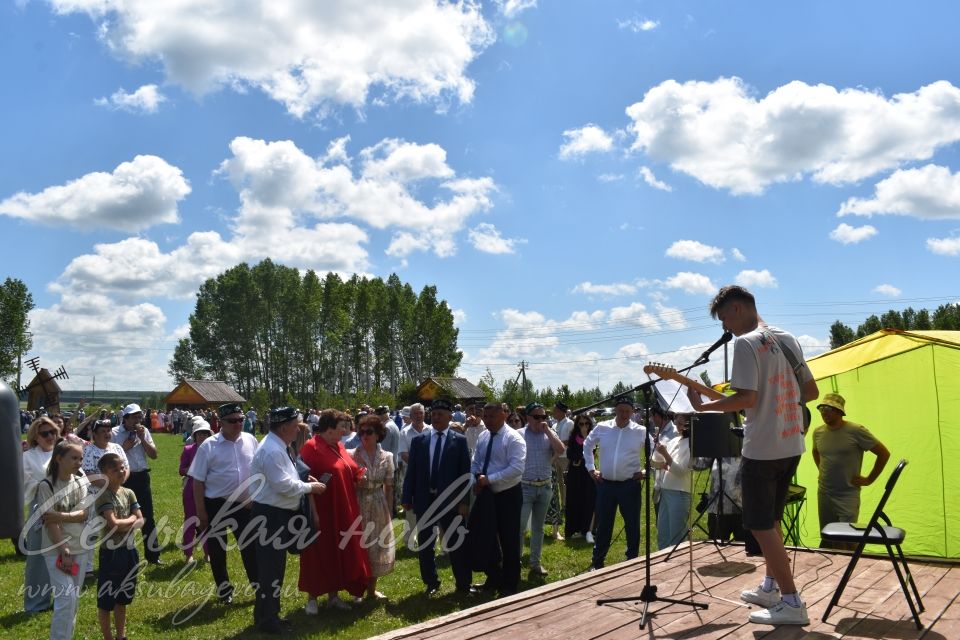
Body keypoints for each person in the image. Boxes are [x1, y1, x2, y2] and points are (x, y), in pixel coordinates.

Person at [685, 285, 819, 626]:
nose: (725, 328)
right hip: (791, 444)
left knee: (759, 525)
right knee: (772, 521)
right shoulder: (787, 338)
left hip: (762, 448)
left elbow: (746, 399)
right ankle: (771, 587)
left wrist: (704, 406)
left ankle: (791, 602)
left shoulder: (747, 343)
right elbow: (812, 391)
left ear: (740, 308)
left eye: (725, 318)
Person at [249, 407, 326, 634]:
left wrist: (302, 478)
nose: (299, 430)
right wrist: (310, 487)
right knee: (270, 570)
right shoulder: (273, 450)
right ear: (284, 427)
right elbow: (283, 486)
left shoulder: (277, 445)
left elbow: (286, 477)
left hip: (274, 514)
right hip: (270, 516)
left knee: (273, 568)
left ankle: (267, 615)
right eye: (295, 426)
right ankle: (268, 620)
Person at [299, 409, 371, 613]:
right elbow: (304, 480)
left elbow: (348, 468)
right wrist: (313, 512)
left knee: (339, 551)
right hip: (322, 511)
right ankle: (312, 598)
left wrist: (358, 475)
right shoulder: (311, 448)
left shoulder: (338, 445)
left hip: (343, 509)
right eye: (342, 427)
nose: (346, 431)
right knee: (318, 553)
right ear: (329, 429)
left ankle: (333, 596)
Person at [188, 403, 260, 604]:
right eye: (233, 421)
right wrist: (201, 513)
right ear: (221, 422)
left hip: (244, 505)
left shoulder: (251, 440)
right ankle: (224, 591)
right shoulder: (209, 446)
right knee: (218, 551)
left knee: (250, 548)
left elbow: (258, 471)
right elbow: (197, 481)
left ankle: (259, 587)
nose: (238, 424)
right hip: (216, 504)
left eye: (241, 419)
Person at [401, 398, 473, 595]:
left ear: (450, 417)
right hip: (426, 500)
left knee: (457, 543)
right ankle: (431, 582)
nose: (436, 417)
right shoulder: (419, 441)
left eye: (440, 414)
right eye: (433, 414)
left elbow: (465, 475)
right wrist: (407, 497)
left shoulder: (459, 441)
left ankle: (463, 584)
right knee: (426, 544)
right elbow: (412, 473)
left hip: (451, 502)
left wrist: (464, 502)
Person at [811, 393, 890, 549]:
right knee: (828, 535)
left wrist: (869, 479)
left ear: (839, 411)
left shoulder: (856, 430)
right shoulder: (818, 432)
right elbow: (815, 451)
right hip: (825, 493)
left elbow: (883, 453)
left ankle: (852, 569)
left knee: (847, 537)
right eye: (821, 409)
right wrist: (821, 470)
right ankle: (833, 570)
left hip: (847, 494)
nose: (824, 412)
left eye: (828, 408)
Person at [35, 440, 92, 640]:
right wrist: (64, 550)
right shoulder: (46, 485)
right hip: (56, 549)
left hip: (80, 547)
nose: (79, 462)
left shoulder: (80, 481)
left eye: (81, 458)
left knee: (72, 600)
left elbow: (84, 514)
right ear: (59, 458)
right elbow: (50, 523)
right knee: (65, 599)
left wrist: (60, 516)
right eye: (74, 458)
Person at [583, 395, 647, 570]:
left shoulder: (640, 431)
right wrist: (591, 468)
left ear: (633, 412)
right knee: (604, 524)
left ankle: (632, 560)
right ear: (615, 410)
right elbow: (587, 445)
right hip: (606, 484)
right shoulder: (603, 427)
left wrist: (645, 471)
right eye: (621, 411)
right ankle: (597, 561)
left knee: (632, 524)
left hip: (629, 485)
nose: (624, 414)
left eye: (628, 411)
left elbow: (655, 451)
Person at [469, 401, 526, 597]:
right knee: (487, 538)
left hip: (507, 494)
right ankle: (493, 577)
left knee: (509, 539)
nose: (487, 420)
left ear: (503, 415)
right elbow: (475, 461)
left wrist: (489, 479)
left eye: (492, 416)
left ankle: (510, 584)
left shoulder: (513, 438)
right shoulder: (484, 436)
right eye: (485, 416)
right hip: (486, 493)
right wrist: (475, 478)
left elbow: (517, 468)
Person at [95, 452, 144, 640]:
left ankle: (121, 636)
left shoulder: (129, 493)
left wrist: (128, 521)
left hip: (130, 551)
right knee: (107, 599)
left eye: (122, 466)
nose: (121, 471)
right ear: (104, 474)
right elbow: (112, 524)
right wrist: (131, 519)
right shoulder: (104, 495)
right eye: (114, 469)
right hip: (111, 553)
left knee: (123, 598)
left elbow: (140, 521)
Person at [350, 414, 396, 599]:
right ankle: (357, 590)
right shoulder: (352, 454)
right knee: (358, 546)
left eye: (369, 432)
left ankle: (371, 590)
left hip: (378, 503)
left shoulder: (388, 456)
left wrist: (390, 511)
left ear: (378, 434)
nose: (364, 435)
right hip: (358, 502)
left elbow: (390, 486)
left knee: (376, 546)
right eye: (361, 432)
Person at [518, 402, 565, 576]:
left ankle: (535, 564)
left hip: (544, 486)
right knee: (520, 527)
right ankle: (515, 562)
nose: (541, 420)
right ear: (528, 418)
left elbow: (560, 449)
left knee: (538, 528)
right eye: (537, 417)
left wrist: (548, 431)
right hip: (525, 487)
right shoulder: (519, 434)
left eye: (543, 417)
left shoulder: (549, 433)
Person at [111, 403, 161, 565]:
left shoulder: (144, 431)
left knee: (148, 517)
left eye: (139, 417)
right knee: (124, 517)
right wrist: (123, 448)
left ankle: (153, 556)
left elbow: (154, 455)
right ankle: (124, 556)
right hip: (123, 479)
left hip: (141, 477)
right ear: (125, 418)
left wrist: (142, 440)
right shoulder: (114, 433)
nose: (137, 420)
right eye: (133, 417)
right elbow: (109, 460)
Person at [21, 416, 59, 613]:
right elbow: (23, 487)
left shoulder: (61, 452)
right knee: (37, 557)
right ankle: (36, 603)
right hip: (40, 508)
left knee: (62, 553)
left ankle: (60, 598)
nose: (50, 437)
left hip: (64, 506)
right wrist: (44, 483)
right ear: (36, 436)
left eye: (53, 432)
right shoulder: (28, 457)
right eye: (45, 434)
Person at [653, 415, 692, 550]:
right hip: (666, 490)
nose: (677, 426)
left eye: (681, 424)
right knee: (662, 535)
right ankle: (663, 567)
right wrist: (657, 449)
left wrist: (665, 454)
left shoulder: (692, 444)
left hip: (680, 493)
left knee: (677, 537)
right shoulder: (675, 440)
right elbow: (658, 463)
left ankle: (678, 567)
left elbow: (681, 471)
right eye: (677, 422)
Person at [178, 417, 211, 565]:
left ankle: (208, 553)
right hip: (191, 490)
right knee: (190, 521)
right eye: (200, 434)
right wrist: (192, 470)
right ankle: (188, 554)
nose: (202, 437)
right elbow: (181, 470)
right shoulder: (188, 449)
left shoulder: (214, 450)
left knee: (207, 522)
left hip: (209, 490)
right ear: (195, 435)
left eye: (205, 434)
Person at [398, 403, 431, 546]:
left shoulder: (432, 430)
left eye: (420, 413)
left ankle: (430, 539)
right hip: (411, 476)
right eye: (415, 414)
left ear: (424, 414)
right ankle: (410, 539)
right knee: (410, 508)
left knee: (430, 507)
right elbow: (403, 454)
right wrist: (419, 465)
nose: (418, 416)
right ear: (410, 416)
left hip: (430, 476)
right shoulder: (404, 432)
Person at [564, 414, 596, 542]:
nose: (584, 426)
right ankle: (573, 529)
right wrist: (579, 457)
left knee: (589, 499)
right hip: (575, 474)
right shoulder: (573, 438)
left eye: (586, 424)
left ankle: (587, 529)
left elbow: (591, 452)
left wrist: (585, 438)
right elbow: (570, 454)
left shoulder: (592, 437)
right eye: (581, 424)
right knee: (574, 500)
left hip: (588, 473)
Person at [82, 420, 129, 487]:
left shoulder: (117, 447)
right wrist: (109, 486)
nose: (107, 433)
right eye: (103, 431)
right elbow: (89, 474)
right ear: (95, 434)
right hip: (98, 493)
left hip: (117, 488)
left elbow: (126, 467)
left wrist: (121, 481)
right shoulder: (88, 450)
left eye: (108, 430)